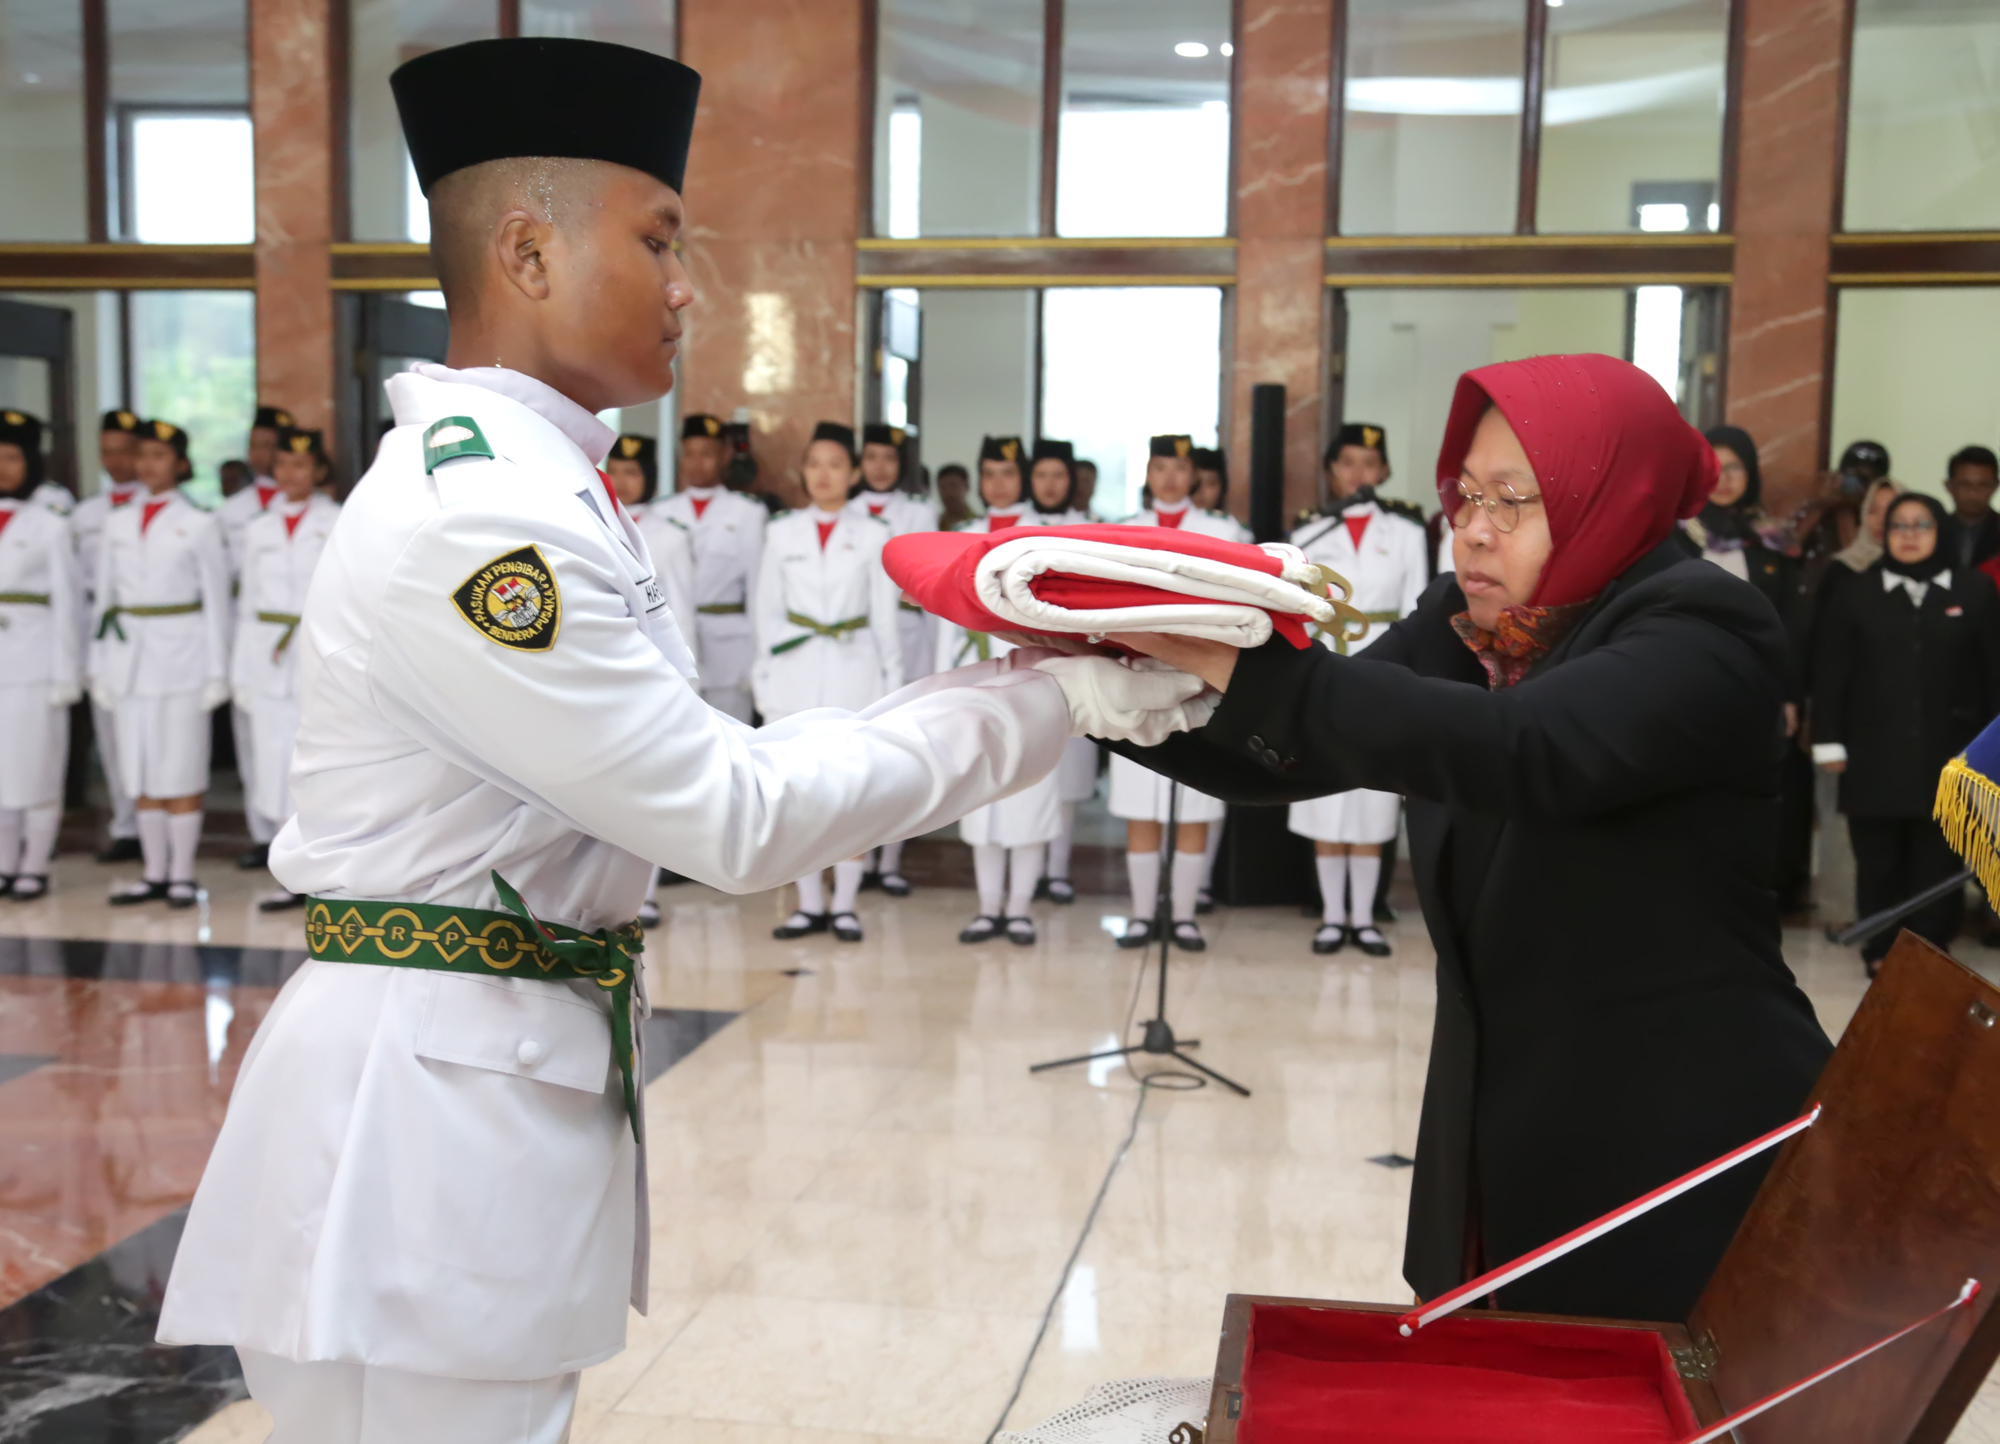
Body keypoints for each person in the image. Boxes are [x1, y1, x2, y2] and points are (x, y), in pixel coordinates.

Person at [155, 39, 1207, 1444]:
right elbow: (730, 814)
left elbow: (716, 759)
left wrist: (1013, 681)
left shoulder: (540, 484)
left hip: (465, 1083)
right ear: (525, 252)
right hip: (425, 1130)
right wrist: (1052, 701)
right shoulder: (487, 516)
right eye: (658, 239)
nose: (685, 285)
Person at [1111, 353, 1834, 1325]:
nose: (1473, 529)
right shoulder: (1479, 623)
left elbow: (1522, 748)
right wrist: (1102, 690)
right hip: (1495, 1134)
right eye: (1463, 496)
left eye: (1512, 499)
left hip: (1672, 1138)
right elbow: (1294, 751)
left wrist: (1225, 660)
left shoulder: (1701, 627)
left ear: (1604, 496)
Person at [1812, 491, 2000, 973]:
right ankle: (1881, 951)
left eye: (1921, 525)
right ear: (1884, 533)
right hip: (1874, 754)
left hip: (1951, 756)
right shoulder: (1857, 591)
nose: (1910, 535)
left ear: (1941, 531)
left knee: (1937, 862)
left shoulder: (1973, 591)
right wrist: (1828, 741)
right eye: (1899, 525)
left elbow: (1993, 672)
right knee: (1877, 862)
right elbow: (1832, 672)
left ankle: (1932, 953)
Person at [754, 422, 905, 943]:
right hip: (794, 673)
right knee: (798, 793)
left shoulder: (873, 535)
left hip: (855, 670)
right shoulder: (779, 532)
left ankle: (844, 904)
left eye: (836, 465)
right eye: (814, 464)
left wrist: (892, 687)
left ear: (855, 474)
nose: (824, 475)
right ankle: (808, 904)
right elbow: (766, 615)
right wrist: (764, 684)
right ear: (803, 471)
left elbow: (886, 621)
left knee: (849, 793)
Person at [1286, 423, 1429, 955]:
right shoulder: (1307, 535)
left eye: (1369, 463)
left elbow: (1420, 611)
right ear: (1331, 470)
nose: (1358, 474)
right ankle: (1331, 914)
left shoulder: (1408, 533)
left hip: (1382, 665)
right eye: (1347, 463)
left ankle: (1365, 916)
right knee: (1326, 790)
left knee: (1373, 794)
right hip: (1324, 664)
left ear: (1384, 470)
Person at [1105, 435, 1239, 952]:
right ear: (1147, 472)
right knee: (1142, 800)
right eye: (1160, 467)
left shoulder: (1221, 530)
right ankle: (1142, 915)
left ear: (1194, 474)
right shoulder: (1120, 532)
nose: (1169, 478)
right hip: (1136, 671)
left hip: (1200, 672)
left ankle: (1184, 915)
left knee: (1196, 802)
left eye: (1179, 467)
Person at [91, 419, 231, 909]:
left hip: (183, 658)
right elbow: (104, 601)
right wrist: (98, 667)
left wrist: (218, 671)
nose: (148, 465)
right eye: (142, 455)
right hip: (128, 658)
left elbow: (217, 602)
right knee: (140, 767)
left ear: (180, 464)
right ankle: (152, 872)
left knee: (181, 766)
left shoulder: (199, 523)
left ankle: (181, 874)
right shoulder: (116, 521)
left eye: (158, 456)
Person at [933, 437, 1065, 944]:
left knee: (1031, 792)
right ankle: (988, 908)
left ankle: (1020, 908)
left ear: (1024, 477)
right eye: (988, 473)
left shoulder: (1049, 534)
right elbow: (944, 612)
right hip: (975, 674)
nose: (997, 484)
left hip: (1033, 672)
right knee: (981, 794)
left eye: (1007, 473)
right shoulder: (962, 533)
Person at [1687, 424, 1813, 914]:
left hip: (1757, 686)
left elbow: (1789, 627)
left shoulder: (1771, 543)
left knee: (1754, 786)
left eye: (1735, 467)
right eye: (1714, 467)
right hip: (1687, 682)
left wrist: (1789, 695)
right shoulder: (1678, 536)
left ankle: (1756, 887)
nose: (1724, 477)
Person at [229, 427, 340, 912]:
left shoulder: (336, 520)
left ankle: (321, 871)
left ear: (318, 471)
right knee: (272, 763)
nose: (291, 473)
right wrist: (240, 671)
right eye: (283, 464)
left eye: (302, 464)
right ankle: (286, 869)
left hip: (316, 653)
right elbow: (247, 602)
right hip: (267, 655)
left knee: (318, 762)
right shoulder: (258, 528)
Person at [0, 410, 81, 900]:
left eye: (12, 457)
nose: (4, 467)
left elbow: (68, 602)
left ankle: (34, 863)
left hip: (34, 660)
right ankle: (5, 861)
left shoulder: (48, 524)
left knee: (37, 764)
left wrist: (66, 672)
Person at [855, 422, 937, 895]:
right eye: (871, 458)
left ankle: (890, 860)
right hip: (860, 646)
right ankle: (858, 856)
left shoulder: (919, 510)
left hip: (907, 638)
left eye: (889, 458)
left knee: (898, 753)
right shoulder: (847, 513)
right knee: (860, 755)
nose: (880, 468)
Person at [219, 404, 297, 871]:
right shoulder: (235, 509)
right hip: (246, 624)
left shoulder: (320, 512)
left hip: (289, 633)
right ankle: (260, 831)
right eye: (257, 446)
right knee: (253, 742)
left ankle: (295, 838)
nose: (264, 456)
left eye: (272, 446)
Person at [651, 412, 765, 721]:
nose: (696, 463)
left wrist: (757, 661)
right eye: (689, 454)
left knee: (736, 738)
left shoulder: (747, 513)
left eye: (707, 454)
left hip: (729, 649)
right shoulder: (660, 511)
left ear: (725, 455)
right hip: (673, 643)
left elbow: (758, 591)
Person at [1026, 438, 1099, 906]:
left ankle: (1057, 870)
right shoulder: (1015, 527)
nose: (1050, 485)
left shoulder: (1092, 530)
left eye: (1059, 475)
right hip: (1024, 658)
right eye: (1041, 475)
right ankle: (1026, 869)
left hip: (1075, 658)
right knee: (1027, 767)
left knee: (1068, 775)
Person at [73, 409, 147, 863]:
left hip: (148, 629)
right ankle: (125, 823)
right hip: (98, 627)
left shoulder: (159, 509)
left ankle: (154, 821)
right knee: (112, 730)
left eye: (125, 451)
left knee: (149, 734)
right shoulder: (84, 513)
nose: (115, 461)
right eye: (107, 452)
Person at [1943, 445, 2000, 574]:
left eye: (1983, 485)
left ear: (1996, 486)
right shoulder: (1933, 531)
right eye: (1964, 485)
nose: (1973, 494)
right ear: (1949, 486)